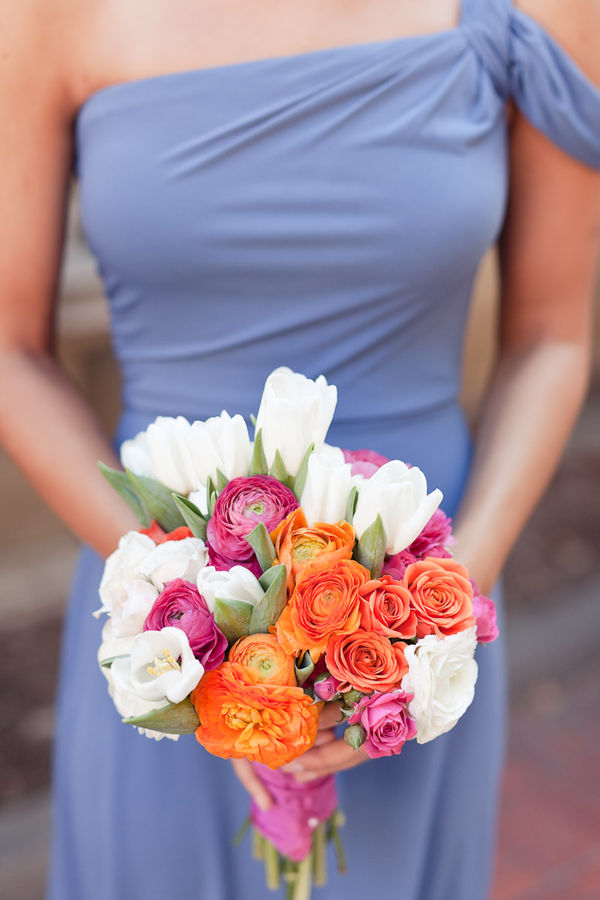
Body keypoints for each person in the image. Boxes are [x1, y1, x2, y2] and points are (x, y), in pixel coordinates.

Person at [1, 0, 599, 897]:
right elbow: (11, 349)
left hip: (429, 597)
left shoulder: (543, 10)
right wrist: (188, 603)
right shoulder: (50, 15)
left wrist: (431, 619)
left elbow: (553, 336)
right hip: (159, 620)